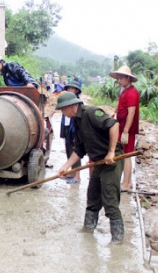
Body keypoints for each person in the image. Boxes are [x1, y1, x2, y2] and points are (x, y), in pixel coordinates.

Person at [55, 92, 125, 243]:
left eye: (62, 109)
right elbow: (80, 149)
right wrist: (65, 166)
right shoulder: (76, 121)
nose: (62, 112)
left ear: (71, 106)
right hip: (98, 161)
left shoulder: (91, 113)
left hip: (111, 160)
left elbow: (114, 125)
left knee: (110, 197)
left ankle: (117, 239)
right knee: (93, 196)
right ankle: (88, 229)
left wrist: (111, 152)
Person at [109, 65, 140, 192]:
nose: (119, 80)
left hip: (127, 129)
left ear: (128, 78)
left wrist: (126, 131)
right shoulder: (124, 91)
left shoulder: (132, 93)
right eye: (118, 78)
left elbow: (131, 113)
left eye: (121, 78)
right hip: (121, 126)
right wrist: (114, 112)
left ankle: (125, 184)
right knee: (123, 153)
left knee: (126, 155)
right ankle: (128, 181)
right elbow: (120, 104)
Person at [60, 81, 82, 184]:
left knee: (76, 150)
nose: (70, 90)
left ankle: (77, 176)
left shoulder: (77, 104)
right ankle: (72, 172)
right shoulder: (65, 101)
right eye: (69, 89)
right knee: (68, 150)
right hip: (67, 128)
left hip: (74, 130)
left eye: (72, 89)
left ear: (76, 90)